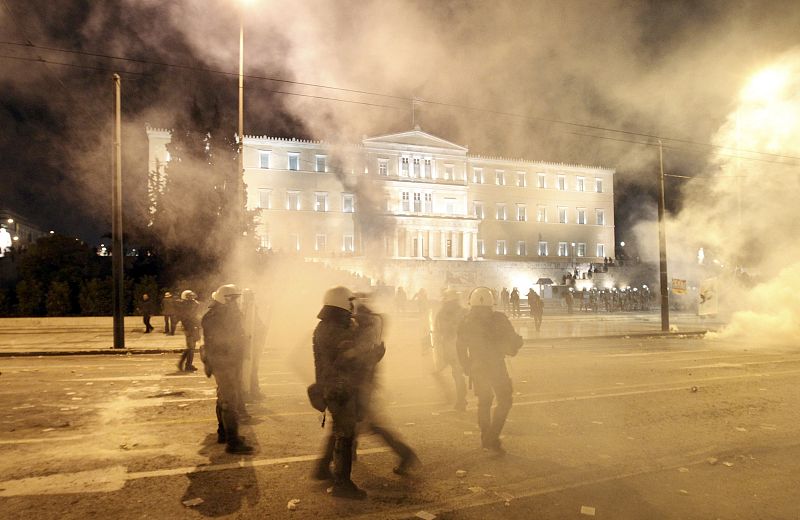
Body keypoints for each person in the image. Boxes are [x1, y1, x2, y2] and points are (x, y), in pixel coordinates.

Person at [311, 286, 370, 499]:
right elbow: (349, 359)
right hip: (341, 388)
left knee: (339, 431)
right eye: (350, 301)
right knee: (345, 435)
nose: (353, 305)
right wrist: (372, 356)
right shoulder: (336, 330)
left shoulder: (325, 327)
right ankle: (342, 484)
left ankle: (323, 470)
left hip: (332, 387)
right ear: (342, 304)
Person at [457, 287, 522, 455]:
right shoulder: (499, 319)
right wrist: (517, 343)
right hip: (496, 367)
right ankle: (492, 438)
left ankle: (486, 438)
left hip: (477, 367)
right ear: (491, 303)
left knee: (484, 403)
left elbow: (460, 348)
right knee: (505, 401)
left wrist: (467, 367)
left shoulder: (465, 322)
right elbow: (511, 344)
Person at [201, 284, 254, 455]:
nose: (236, 302)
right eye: (234, 299)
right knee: (229, 400)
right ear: (226, 299)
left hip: (224, 362)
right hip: (225, 362)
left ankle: (223, 433)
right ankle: (233, 441)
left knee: (223, 396)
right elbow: (226, 340)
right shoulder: (220, 316)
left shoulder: (216, 314)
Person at [433, 289, 468, 411]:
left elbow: (439, 330)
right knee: (457, 373)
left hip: (451, 346)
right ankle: (457, 398)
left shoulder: (443, 313)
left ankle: (457, 398)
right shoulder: (463, 311)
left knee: (452, 373)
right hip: (459, 346)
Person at [177, 290, 201, 372]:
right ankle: (184, 363)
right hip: (189, 328)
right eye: (189, 296)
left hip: (193, 327)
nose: (192, 298)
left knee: (192, 347)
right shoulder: (185, 306)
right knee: (191, 347)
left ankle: (187, 364)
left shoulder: (190, 304)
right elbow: (190, 317)